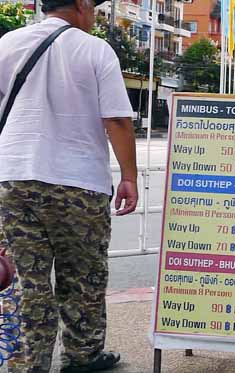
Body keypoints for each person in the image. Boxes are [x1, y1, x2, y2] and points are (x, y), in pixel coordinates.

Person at [0, 0, 138, 370]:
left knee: (30, 281)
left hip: (14, 179)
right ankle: (81, 357)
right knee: (83, 276)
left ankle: (31, 363)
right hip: (78, 184)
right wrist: (129, 176)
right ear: (80, 5)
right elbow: (118, 120)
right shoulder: (94, 49)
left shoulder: (7, 43)